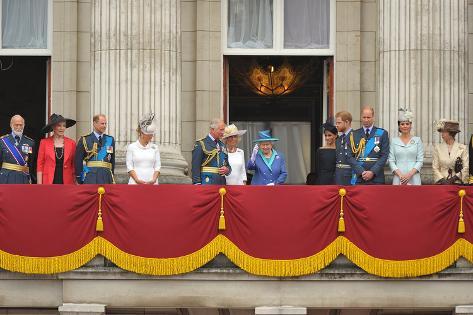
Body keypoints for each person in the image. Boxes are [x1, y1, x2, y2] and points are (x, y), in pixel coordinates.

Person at [347, 106, 389, 185]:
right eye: (364, 117)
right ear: (361, 117)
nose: (366, 120)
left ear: (373, 117)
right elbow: (349, 156)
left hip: (376, 176)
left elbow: (384, 155)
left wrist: (372, 172)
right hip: (359, 176)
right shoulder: (353, 134)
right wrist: (361, 171)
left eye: (368, 117)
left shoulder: (382, 133)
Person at [75, 114, 115, 184]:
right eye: (102, 123)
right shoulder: (84, 139)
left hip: (106, 177)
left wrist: (111, 175)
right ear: (94, 123)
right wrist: (79, 177)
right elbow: (78, 160)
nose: (104, 126)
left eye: (105, 123)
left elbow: (112, 160)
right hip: (90, 177)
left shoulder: (110, 139)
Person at [37, 114, 77, 184]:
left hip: (67, 181)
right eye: (59, 125)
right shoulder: (44, 142)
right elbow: (40, 165)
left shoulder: (72, 143)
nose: (62, 128)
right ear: (53, 127)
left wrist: (76, 182)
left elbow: (74, 165)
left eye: (64, 126)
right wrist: (39, 184)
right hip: (49, 181)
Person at [388, 108, 424, 185]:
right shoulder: (394, 141)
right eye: (402, 124)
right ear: (399, 126)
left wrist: (409, 175)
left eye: (407, 124)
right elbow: (391, 160)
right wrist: (401, 176)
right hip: (398, 178)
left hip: (414, 177)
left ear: (411, 125)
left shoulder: (417, 140)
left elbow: (420, 160)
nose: (405, 126)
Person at [191, 119, 231, 185]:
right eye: (221, 130)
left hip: (221, 183)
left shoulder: (222, 145)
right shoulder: (201, 144)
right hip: (207, 182)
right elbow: (195, 166)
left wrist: (227, 170)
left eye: (224, 130)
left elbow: (228, 165)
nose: (223, 132)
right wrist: (197, 184)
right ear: (212, 129)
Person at [126, 114, 161, 185]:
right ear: (142, 133)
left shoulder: (155, 148)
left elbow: (157, 166)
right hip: (135, 183)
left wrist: (154, 180)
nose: (151, 137)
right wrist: (136, 180)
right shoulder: (131, 147)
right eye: (149, 135)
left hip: (152, 183)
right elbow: (129, 166)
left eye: (152, 134)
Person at [0, 115, 35, 184]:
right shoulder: (2, 141)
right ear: (11, 125)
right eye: (16, 125)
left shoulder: (30, 142)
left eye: (21, 125)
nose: (19, 127)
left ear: (24, 125)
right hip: (6, 178)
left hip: (23, 178)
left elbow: (31, 163)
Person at [432, 119, 469, 184]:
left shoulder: (462, 148)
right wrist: (443, 180)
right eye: (441, 132)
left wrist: (453, 179)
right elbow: (435, 168)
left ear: (451, 133)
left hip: (457, 183)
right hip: (441, 183)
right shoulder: (437, 148)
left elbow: (466, 167)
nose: (442, 134)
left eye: (444, 132)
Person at [334, 111, 354, 185]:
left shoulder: (355, 137)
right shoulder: (339, 139)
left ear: (347, 122)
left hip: (349, 176)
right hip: (338, 176)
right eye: (336, 123)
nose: (336, 125)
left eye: (339, 123)